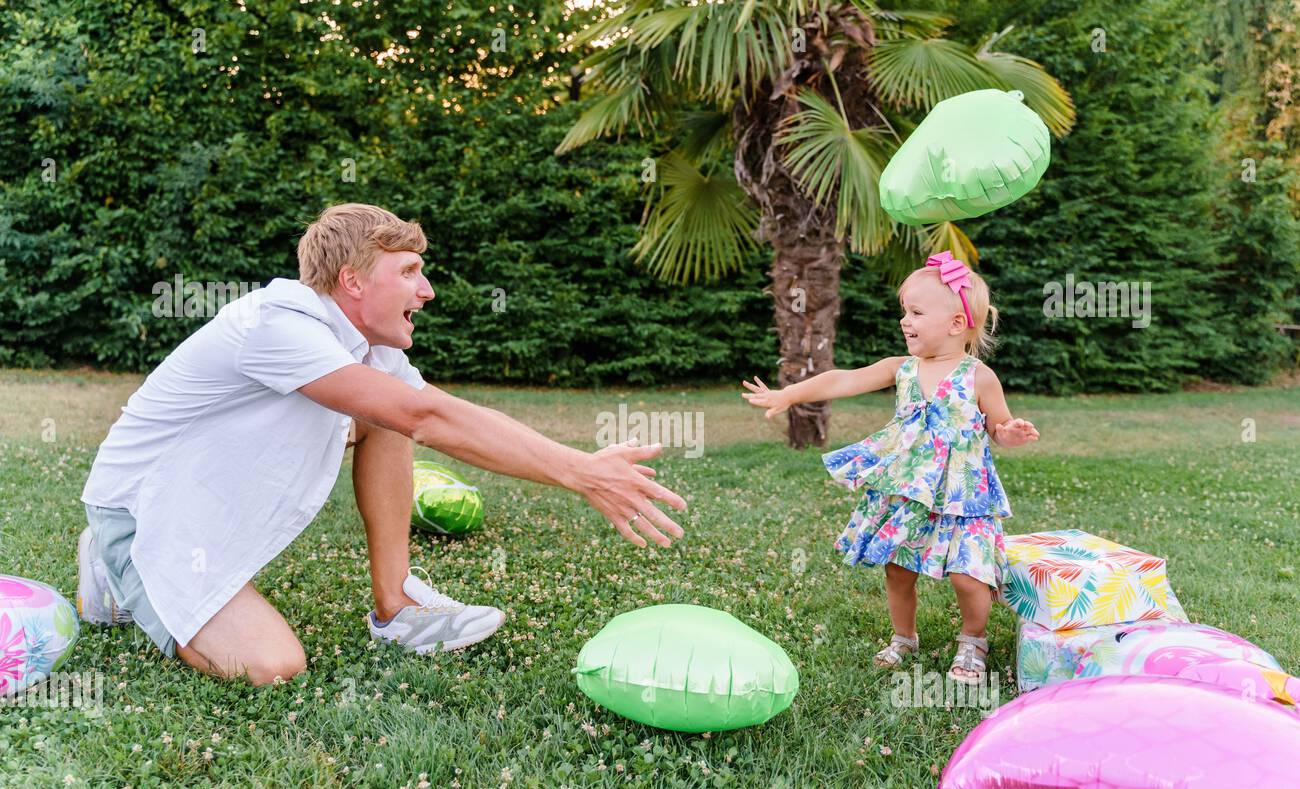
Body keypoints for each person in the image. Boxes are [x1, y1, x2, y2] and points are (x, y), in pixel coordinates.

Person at [77, 203, 686, 686]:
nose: (427, 293)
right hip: (147, 514)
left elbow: (422, 413)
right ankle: (112, 568)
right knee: (272, 667)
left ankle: (396, 608)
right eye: (410, 273)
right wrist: (581, 470)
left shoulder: (370, 348)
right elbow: (426, 416)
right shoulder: (277, 326)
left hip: (200, 504)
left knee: (384, 418)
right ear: (352, 281)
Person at [742, 252, 1038, 685]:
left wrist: (1010, 433)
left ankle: (973, 640)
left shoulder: (979, 377)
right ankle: (904, 637)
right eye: (905, 311)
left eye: (916, 312)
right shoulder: (902, 370)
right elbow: (842, 379)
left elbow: (998, 425)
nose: (905, 320)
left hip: (963, 497)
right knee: (898, 570)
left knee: (968, 576)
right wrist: (790, 394)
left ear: (957, 323)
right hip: (908, 492)